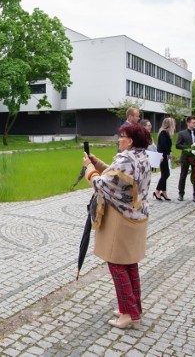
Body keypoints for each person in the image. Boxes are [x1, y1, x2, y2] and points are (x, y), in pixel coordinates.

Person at [83, 123, 151, 330]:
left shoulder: (126, 159)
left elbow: (100, 184)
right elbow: (116, 179)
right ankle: (132, 309)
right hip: (136, 217)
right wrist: (97, 163)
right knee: (129, 264)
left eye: (121, 136)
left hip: (121, 219)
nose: (118, 139)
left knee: (117, 265)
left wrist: (89, 169)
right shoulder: (141, 156)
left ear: (130, 141)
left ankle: (129, 314)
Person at [175, 116, 195, 202]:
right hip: (186, 157)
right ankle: (181, 194)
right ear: (188, 123)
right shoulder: (182, 133)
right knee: (183, 175)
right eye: (193, 122)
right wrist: (189, 147)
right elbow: (177, 145)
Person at [153, 118, 176, 201]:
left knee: (165, 174)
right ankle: (157, 191)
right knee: (165, 174)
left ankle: (163, 191)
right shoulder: (163, 133)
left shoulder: (164, 132)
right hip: (162, 155)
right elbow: (164, 145)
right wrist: (169, 152)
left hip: (164, 155)